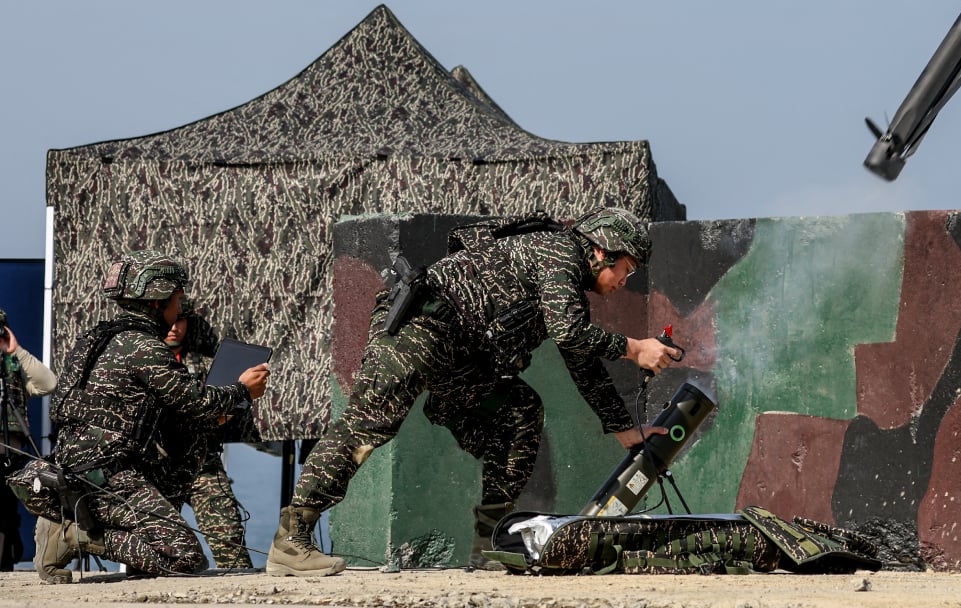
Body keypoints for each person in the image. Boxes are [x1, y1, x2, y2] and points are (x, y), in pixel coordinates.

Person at [265, 207, 680, 577]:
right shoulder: (559, 252)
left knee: (518, 411)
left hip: (456, 355)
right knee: (368, 424)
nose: (624, 281)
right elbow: (570, 333)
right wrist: (635, 348)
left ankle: (490, 544)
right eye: (626, 269)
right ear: (602, 250)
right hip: (421, 327)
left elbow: (583, 362)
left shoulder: (566, 281)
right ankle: (292, 539)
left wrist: (624, 429)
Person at [18, 250, 269, 583]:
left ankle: (98, 533)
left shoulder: (98, 339)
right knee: (184, 558)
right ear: (156, 302)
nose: (178, 311)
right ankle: (74, 535)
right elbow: (195, 402)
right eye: (177, 301)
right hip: (109, 474)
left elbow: (148, 410)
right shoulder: (142, 346)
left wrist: (209, 419)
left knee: (191, 441)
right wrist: (242, 390)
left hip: (85, 468)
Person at [159, 304, 256, 569]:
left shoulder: (204, 366)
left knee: (229, 536)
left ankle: (239, 583)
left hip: (201, 462)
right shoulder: (143, 361)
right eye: (171, 319)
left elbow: (229, 407)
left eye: (181, 320)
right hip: (155, 466)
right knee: (157, 546)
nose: (174, 328)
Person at [0, 308, 57, 571]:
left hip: (8, 457)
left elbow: (48, 383)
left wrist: (16, 352)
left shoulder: (12, 369)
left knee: (5, 517)